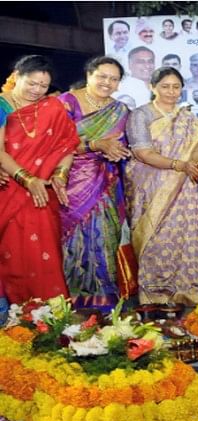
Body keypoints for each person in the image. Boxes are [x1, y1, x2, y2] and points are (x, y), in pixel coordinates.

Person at [125, 67, 198, 306]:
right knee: (155, 238)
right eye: (165, 86)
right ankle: (155, 296)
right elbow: (142, 152)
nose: (171, 91)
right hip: (150, 186)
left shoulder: (186, 116)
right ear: (152, 87)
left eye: (176, 87)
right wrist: (179, 165)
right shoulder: (140, 115)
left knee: (186, 235)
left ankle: (187, 293)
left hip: (185, 187)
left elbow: (197, 146)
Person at [58, 56, 135, 311]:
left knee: (105, 238)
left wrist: (116, 151)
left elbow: (124, 144)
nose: (107, 82)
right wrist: (95, 145)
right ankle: (67, 301)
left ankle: (103, 302)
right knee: (71, 241)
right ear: (89, 74)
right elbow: (57, 143)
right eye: (102, 76)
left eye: (114, 79)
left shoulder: (120, 110)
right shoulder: (66, 102)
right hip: (69, 181)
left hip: (106, 183)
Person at [0, 55, 80, 303]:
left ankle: (51, 317)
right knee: (12, 254)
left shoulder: (53, 108)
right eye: (31, 83)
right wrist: (27, 178)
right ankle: (14, 316)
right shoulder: (2, 106)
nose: (36, 90)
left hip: (42, 192)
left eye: (43, 86)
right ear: (17, 76)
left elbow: (68, 146)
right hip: (9, 188)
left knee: (45, 255)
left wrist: (60, 174)